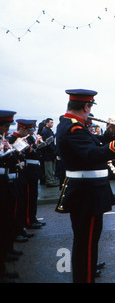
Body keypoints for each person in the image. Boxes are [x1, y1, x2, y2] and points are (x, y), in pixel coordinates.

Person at [55, 89, 115, 283]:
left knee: (87, 241)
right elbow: (93, 154)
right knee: (87, 242)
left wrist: (110, 132)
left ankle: (87, 272)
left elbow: (94, 144)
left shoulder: (73, 126)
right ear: (86, 106)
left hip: (87, 190)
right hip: (87, 192)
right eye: (90, 107)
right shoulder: (73, 128)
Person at [0, 110, 22, 282]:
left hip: (6, 181)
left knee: (7, 219)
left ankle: (7, 251)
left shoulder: (3, 139)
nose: (7, 129)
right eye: (5, 126)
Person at [40, 118, 58, 187]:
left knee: (52, 167)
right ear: (47, 123)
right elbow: (47, 143)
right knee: (49, 168)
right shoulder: (45, 132)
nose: (52, 124)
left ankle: (51, 180)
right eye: (51, 122)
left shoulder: (50, 131)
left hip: (51, 152)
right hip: (47, 153)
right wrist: (53, 149)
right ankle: (49, 181)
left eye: (53, 123)